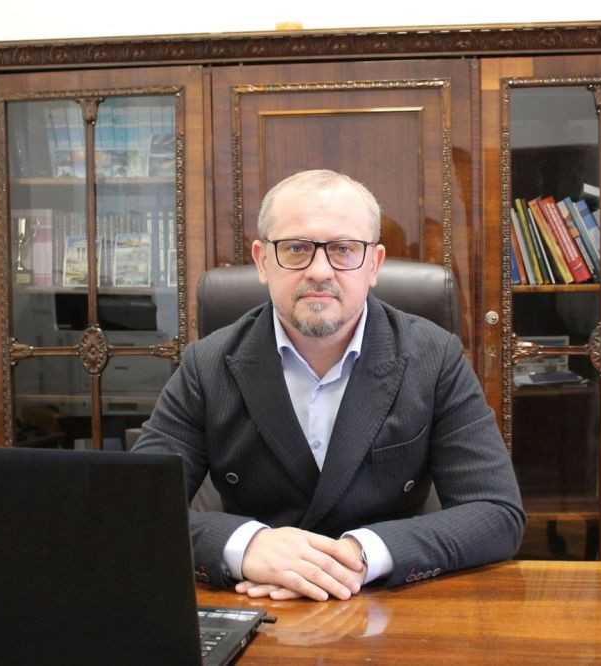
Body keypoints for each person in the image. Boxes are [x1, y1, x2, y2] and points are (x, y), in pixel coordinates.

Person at [133, 169, 525, 601]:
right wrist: (245, 545)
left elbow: (496, 513)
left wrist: (362, 554)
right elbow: (134, 507)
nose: (320, 271)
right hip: (254, 600)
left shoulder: (435, 358)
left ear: (373, 264)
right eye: (296, 248)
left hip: (388, 604)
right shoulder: (206, 365)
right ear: (262, 261)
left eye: (343, 249)